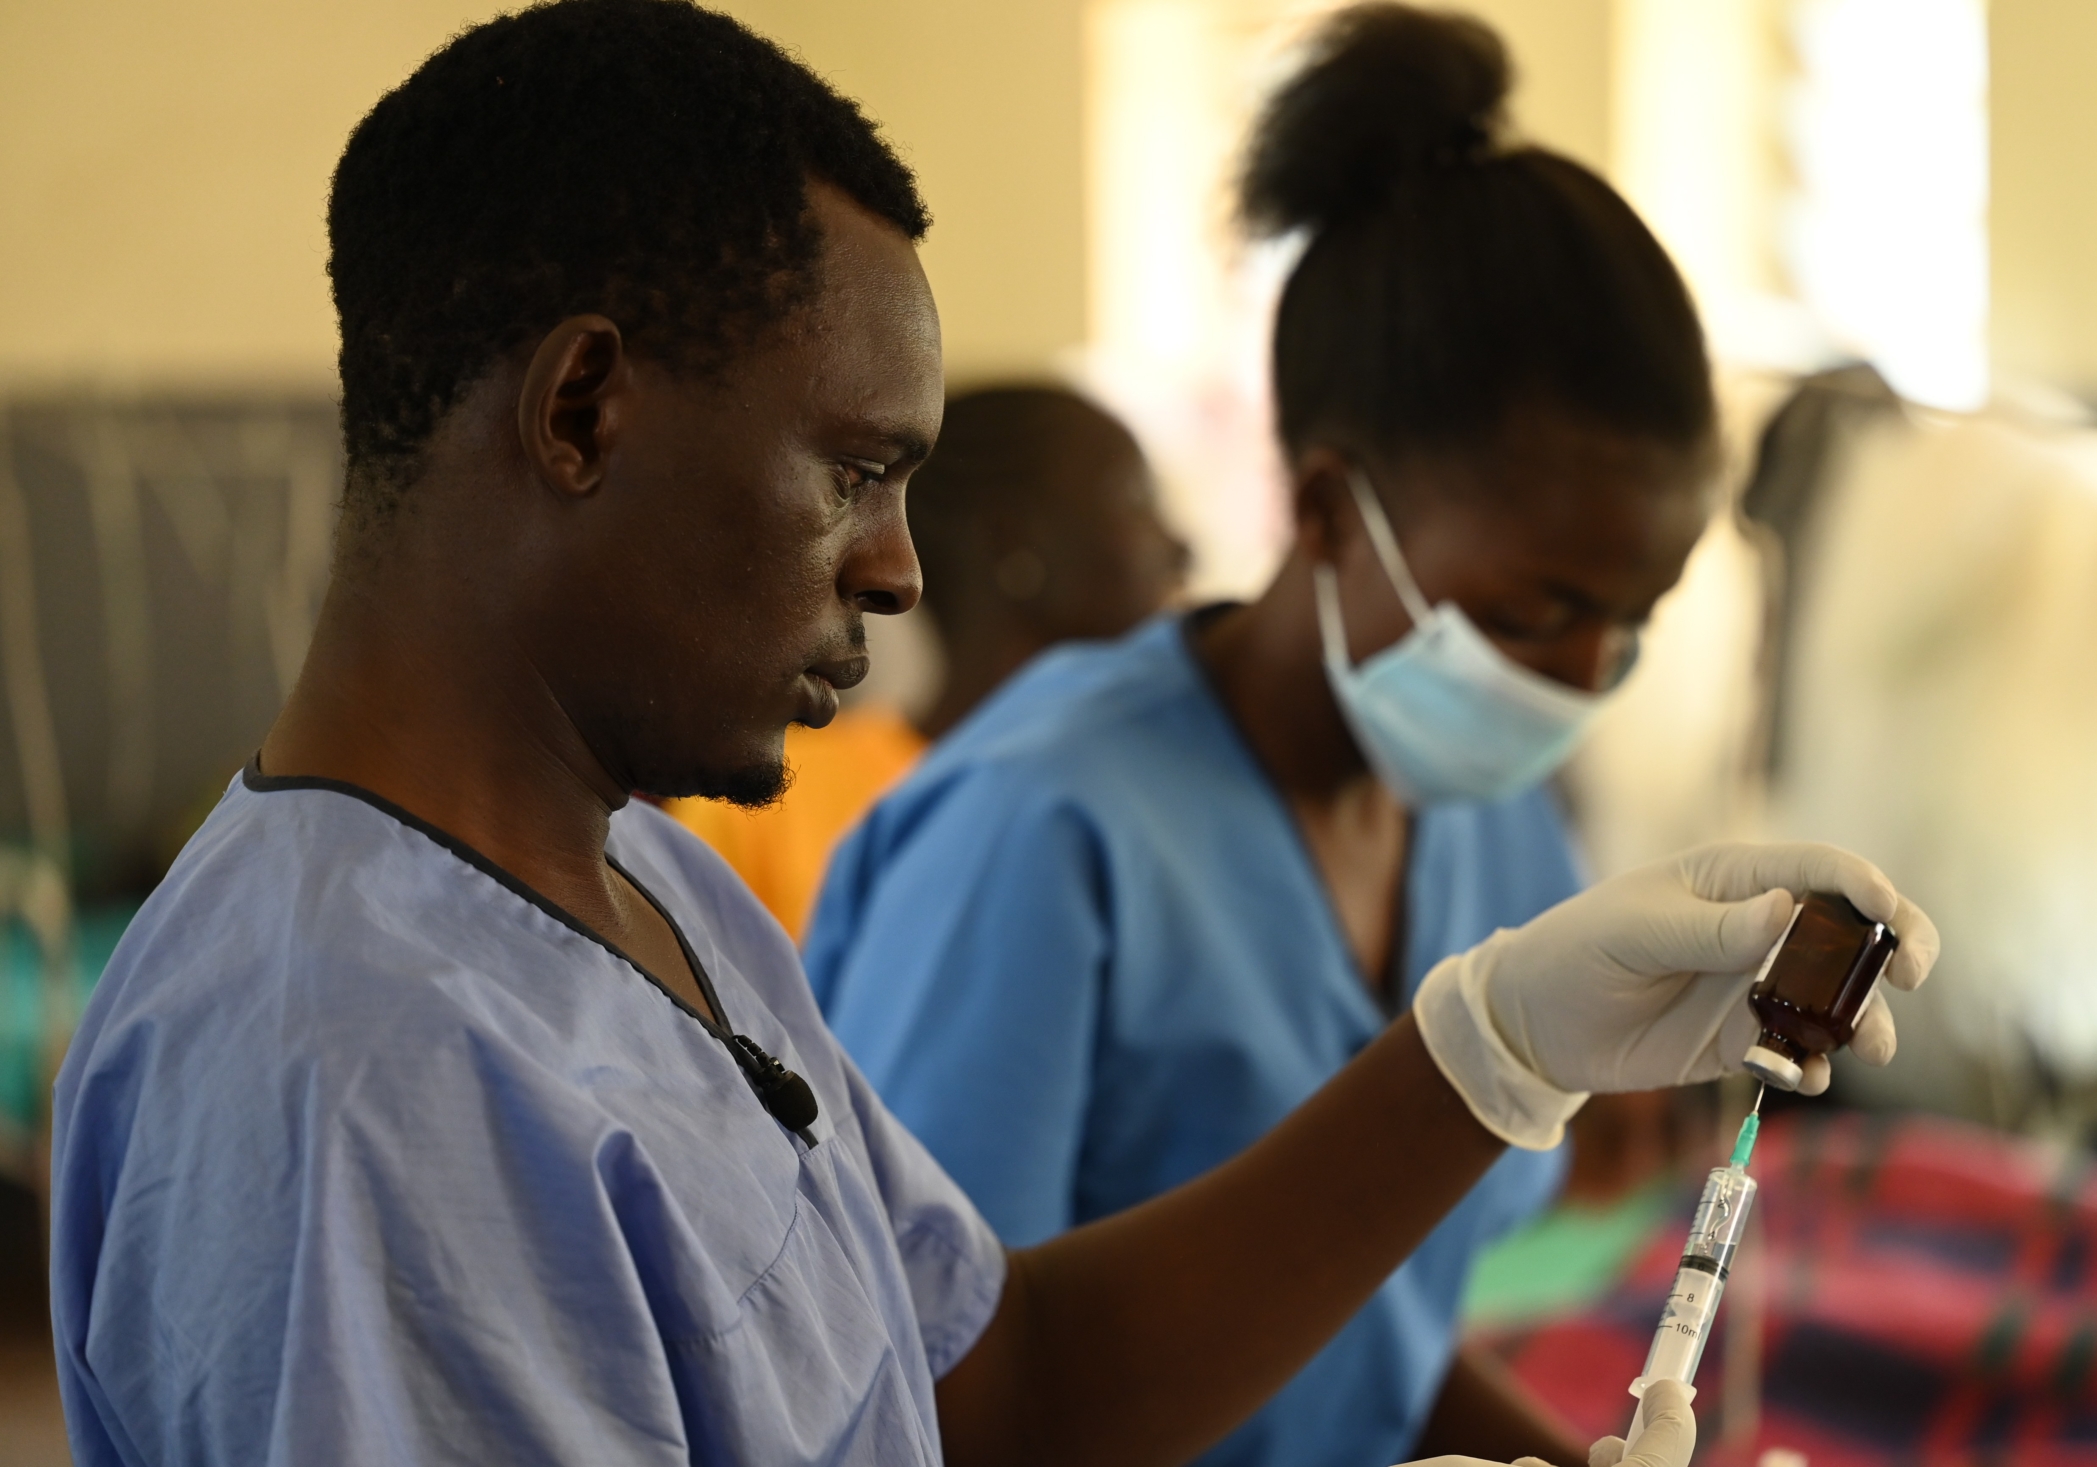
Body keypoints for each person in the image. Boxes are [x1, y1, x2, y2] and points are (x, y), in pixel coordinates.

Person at [47, 3, 1937, 1465]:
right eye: (858, 470)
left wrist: (1493, 1045)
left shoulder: (656, 897)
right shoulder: (356, 1068)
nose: (897, 570)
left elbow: (990, 1386)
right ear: (585, 411)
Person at [800, 9, 1908, 1465]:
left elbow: (1361, 1325)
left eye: (1633, 618)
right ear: (1327, 510)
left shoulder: (1486, 821)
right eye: (1534, 611)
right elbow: (919, 1404)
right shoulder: (1037, 830)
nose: (1584, 676)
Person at [665, 385, 1186, 937]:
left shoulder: (1161, 798)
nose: (1180, 546)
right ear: (1018, 543)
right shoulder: (767, 802)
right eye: (1138, 499)